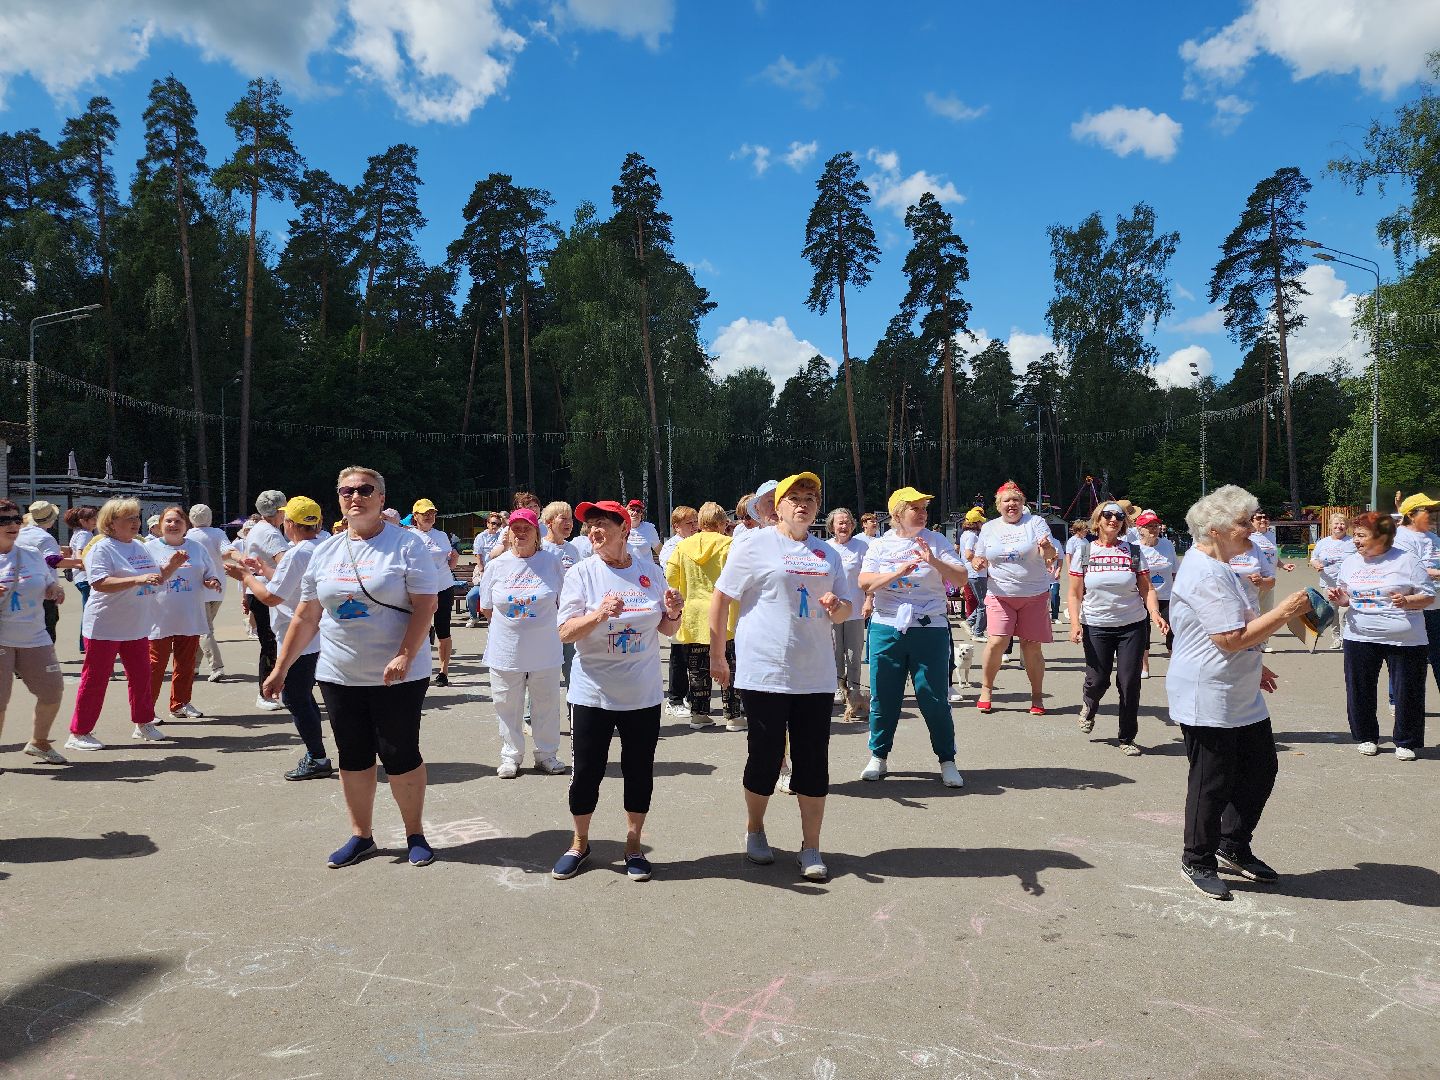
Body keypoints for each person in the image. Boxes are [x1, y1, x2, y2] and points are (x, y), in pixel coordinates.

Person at [263, 467, 442, 868]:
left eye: (364, 490)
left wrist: (405, 653)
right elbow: (306, 615)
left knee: (400, 754)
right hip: (339, 673)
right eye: (346, 491)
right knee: (353, 756)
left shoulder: (406, 544)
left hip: (397, 674)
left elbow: (425, 605)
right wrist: (281, 668)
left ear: (381, 498)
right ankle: (362, 836)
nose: (355, 496)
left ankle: (415, 833)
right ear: (338, 499)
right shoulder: (324, 550)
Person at [1168, 485, 1313, 900]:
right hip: (1207, 691)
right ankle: (1197, 859)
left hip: (1239, 687)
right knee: (1212, 781)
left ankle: (1232, 843)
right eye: (1243, 522)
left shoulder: (1223, 567)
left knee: (1260, 769)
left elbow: (1234, 627)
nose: (1252, 528)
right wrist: (1285, 611)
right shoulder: (1202, 572)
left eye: (1252, 519)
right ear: (1214, 529)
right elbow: (1229, 637)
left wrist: (1257, 660)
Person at [711, 473, 853, 881]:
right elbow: (722, 598)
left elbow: (845, 608)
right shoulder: (753, 545)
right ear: (778, 506)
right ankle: (755, 830)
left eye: (810, 497)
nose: (803, 504)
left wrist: (836, 605)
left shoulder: (828, 553)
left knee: (813, 762)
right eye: (795, 498)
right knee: (765, 758)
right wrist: (718, 655)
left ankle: (811, 847)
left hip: (815, 675)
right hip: (765, 671)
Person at [552, 500, 683, 882]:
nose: (593, 530)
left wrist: (673, 611)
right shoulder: (581, 574)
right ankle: (579, 842)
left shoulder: (649, 572)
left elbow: (668, 630)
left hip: (641, 693)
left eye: (602, 524)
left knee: (638, 771)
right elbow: (564, 632)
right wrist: (599, 614)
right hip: (592, 691)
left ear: (625, 529)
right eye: (589, 525)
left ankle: (633, 844)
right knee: (587, 772)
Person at [857, 487, 968, 785]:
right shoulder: (880, 546)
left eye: (924, 508)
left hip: (929, 626)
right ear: (897, 514)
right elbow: (865, 582)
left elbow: (961, 577)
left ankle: (947, 760)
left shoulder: (936, 540)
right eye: (914, 508)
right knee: (884, 696)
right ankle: (878, 756)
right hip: (886, 625)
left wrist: (934, 561)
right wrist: (896, 573)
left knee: (933, 697)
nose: (922, 513)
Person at [66, 498, 187, 750]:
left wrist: (170, 568)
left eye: (136, 517)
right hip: (105, 626)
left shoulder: (139, 547)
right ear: (111, 523)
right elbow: (99, 582)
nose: (136, 522)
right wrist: (138, 579)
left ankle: (144, 724)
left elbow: (153, 578)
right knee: (95, 680)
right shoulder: (102, 548)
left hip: (136, 626)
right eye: (129, 518)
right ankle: (79, 733)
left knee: (142, 677)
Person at [227, 496, 333, 780]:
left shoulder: (298, 552)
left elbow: (272, 597)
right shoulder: (322, 544)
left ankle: (317, 757)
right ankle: (318, 753)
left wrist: (245, 577)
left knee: (295, 697)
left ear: (289, 524)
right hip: (317, 633)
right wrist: (263, 570)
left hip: (297, 635)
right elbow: (291, 582)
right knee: (304, 695)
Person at [1328, 511, 1434, 761]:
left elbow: (1429, 596)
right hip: (1359, 635)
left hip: (1405, 639)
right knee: (1360, 689)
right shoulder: (1351, 562)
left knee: (1408, 691)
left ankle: (1405, 741)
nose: (1356, 540)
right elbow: (1348, 595)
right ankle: (1366, 736)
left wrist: (1408, 600)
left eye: (1362, 536)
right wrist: (1341, 599)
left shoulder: (1408, 561)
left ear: (1382, 537)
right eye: (1355, 535)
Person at [1066, 502, 1168, 756]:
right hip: (1096, 625)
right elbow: (1075, 592)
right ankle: (1090, 706)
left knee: (1129, 681)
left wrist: (1154, 612)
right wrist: (1075, 623)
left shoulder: (1133, 551)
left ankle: (1126, 737)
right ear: (1098, 520)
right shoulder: (1085, 551)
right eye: (1108, 515)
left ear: (1124, 522)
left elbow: (1147, 588)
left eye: (1119, 516)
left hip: (1132, 625)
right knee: (1098, 680)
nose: (1113, 519)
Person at [477, 507, 569, 778]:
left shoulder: (551, 563)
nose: (520, 533)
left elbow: (563, 602)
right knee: (506, 703)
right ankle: (511, 755)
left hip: (545, 648)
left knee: (547, 703)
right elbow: (487, 608)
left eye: (526, 528)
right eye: (515, 528)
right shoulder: (497, 565)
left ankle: (546, 754)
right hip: (506, 648)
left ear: (536, 533)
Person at [970, 481, 1058, 714]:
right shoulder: (989, 528)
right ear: (998, 506)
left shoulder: (1036, 523)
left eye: (1016, 500)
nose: (1012, 505)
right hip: (1000, 594)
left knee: (1031, 646)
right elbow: (979, 558)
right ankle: (986, 690)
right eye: (1006, 501)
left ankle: (1037, 696)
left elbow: (1049, 554)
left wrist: (1047, 547)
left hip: (1034, 594)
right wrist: (977, 562)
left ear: (1022, 504)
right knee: (997, 641)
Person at [0, 498, 68, 764]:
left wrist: (55, 590)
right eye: (3, 520)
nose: (12, 525)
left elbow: (50, 583)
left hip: (35, 636)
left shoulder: (31, 553)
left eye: (16, 519)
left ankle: (39, 742)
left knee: (52, 692)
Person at [665, 501, 739, 728]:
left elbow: (671, 577)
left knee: (697, 668)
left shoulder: (683, 547)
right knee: (729, 666)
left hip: (694, 614)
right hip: (725, 614)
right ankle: (733, 716)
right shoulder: (730, 545)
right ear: (722, 523)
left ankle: (699, 713)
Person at [145, 506, 222, 722]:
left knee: (186, 664)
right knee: (154, 666)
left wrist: (211, 581)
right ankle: (146, 710)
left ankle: (180, 704)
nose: (173, 525)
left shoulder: (196, 548)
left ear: (186, 525)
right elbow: (143, 579)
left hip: (189, 615)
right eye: (168, 521)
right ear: (160, 525)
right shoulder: (149, 548)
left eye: (178, 521)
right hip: (158, 617)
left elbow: (209, 572)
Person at [235, 491, 291, 711]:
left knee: (272, 642)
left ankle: (277, 690)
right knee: (271, 643)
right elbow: (285, 563)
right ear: (278, 511)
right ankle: (265, 693)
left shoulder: (261, 528)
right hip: (266, 590)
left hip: (258, 589)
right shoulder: (270, 533)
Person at [1392, 493, 1440, 695]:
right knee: (1408, 657)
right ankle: (1398, 699)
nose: (1432, 515)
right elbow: (1412, 567)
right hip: (1414, 606)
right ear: (1411, 515)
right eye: (1427, 511)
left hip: (1436, 604)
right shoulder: (1401, 538)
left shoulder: (1433, 537)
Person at [825, 507, 869, 721]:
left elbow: (869, 577)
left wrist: (870, 599)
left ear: (853, 525)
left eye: (847, 522)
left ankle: (854, 691)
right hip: (831, 610)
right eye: (839, 523)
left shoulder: (862, 547)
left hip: (856, 609)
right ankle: (837, 688)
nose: (843, 526)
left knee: (853, 655)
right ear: (832, 526)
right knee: (834, 653)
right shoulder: (825, 548)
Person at [408, 498, 458, 687]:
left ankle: (443, 672)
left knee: (443, 629)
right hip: (419, 590)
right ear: (415, 516)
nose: (430, 516)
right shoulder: (409, 537)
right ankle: (416, 670)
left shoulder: (442, 535)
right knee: (418, 629)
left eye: (432, 513)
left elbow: (449, 564)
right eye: (425, 513)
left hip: (444, 586)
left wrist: (454, 559)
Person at [19, 500, 75, 644]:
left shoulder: (21, 533)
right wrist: (81, 563)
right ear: (51, 521)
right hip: (44, 590)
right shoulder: (45, 537)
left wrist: (59, 548)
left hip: (22, 588)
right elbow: (51, 560)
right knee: (46, 630)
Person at [186, 504, 231, 681]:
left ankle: (216, 667)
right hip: (218, 587)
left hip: (198, 588)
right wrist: (216, 559)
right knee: (205, 628)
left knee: (204, 629)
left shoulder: (188, 536)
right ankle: (194, 666)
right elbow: (228, 551)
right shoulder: (218, 533)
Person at [1135, 510, 1177, 676]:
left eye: (1155, 525)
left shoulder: (1166, 545)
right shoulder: (1135, 548)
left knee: (1173, 628)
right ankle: (1144, 665)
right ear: (1140, 529)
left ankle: (1175, 664)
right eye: (1148, 526)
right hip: (1143, 596)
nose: (1153, 529)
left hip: (1166, 595)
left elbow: (1174, 570)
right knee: (1144, 631)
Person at [1310, 513, 1356, 652]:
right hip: (1328, 584)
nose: (1339, 526)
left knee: (1345, 612)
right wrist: (1316, 564)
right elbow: (1313, 558)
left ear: (1346, 526)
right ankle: (1337, 638)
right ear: (1330, 526)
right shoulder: (1323, 542)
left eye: (1342, 524)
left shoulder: (1352, 542)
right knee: (1333, 612)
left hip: (1347, 585)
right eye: (1336, 524)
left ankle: (1346, 638)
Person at [64, 504, 98, 653]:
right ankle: (85, 644)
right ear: (83, 521)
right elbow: (80, 554)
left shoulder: (78, 532)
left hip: (80, 578)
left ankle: (84, 644)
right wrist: (88, 567)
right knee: (90, 611)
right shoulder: (85, 534)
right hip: (85, 578)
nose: (96, 521)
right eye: (93, 518)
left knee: (88, 610)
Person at [959, 509, 988, 638]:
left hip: (973, 573)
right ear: (975, 523)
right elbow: (968, 553)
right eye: (980, 522)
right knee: (984, 604)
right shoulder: (971, 535)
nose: (982, 525)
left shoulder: (965, 534)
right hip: (976, 573)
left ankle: (970, 622)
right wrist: (978, 561)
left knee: (983, 603)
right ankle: (978, 632)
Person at [1060, 519, 1089, 624]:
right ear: (1078, 530)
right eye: (1085, 529)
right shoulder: (1072, 541)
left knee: (1084, 590)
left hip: (1085, 569)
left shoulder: (1085, 541)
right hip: (1075, 569)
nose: (1086, 531)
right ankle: (1071, 610)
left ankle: (1082, 609)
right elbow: (1069, 555)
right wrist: (1069, 568)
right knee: (1075, 590)